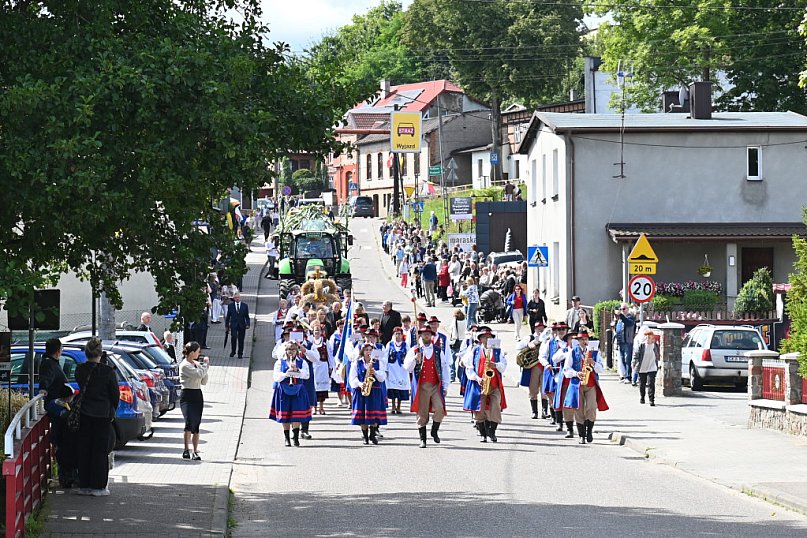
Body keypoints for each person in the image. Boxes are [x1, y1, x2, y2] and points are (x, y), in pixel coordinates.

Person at [74, 338, 119, 496]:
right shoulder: (108, 371)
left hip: (85, 413)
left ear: (86, 353)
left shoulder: (80, 370)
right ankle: (98, 486)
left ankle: (84, 484)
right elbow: (115, 395)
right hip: (103, 414)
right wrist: (112, 408)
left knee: (84, 448)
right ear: (100, 353)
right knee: (100, 450)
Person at [404, 326, 450, 448]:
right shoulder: (415, 350)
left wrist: (445, 386)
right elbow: (407, 367)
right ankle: (422, 439)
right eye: (424, 334)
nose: (426, 336)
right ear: (420, 336)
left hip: (435, 385)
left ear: (431, 336)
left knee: (440, 408)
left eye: (428, 334)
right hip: (421, 385)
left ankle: (434, 430)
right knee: (422, 412)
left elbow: (444, 368)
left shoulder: (438, 350)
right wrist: (415, 358)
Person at [562, 329, 609, 444]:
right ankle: (581, 435)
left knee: (592, 407)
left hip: (591, 383)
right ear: (578, 341)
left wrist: (593, 363)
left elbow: (601, 369)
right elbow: (566, 369)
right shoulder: (572, 352)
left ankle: (589, 431)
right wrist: (576, 373)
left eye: (586, 339)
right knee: (579, 409)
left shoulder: (594, 353)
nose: (584, 341)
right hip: (577, 384)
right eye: (582, 339)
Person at [463, 327, 508, 443]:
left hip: (494, 384)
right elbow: (469, 367)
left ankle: (492, 432)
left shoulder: (497, 351)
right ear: (480, 339)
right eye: (484, 337)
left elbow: (503, 367)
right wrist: (477, 378)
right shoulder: (475, 350)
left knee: (496, 408)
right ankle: (483, 434)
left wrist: (496, 365)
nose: (487, 339)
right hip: (480, 384)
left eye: (489, 337)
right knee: (479, 410)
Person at [270, 341, 312, 447]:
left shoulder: (302, 362)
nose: (291, 352)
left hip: (298, 390)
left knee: (296, 415)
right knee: (285, 415)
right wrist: (286, 374)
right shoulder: (280, 362)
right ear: (286, 351)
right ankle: (287, 438)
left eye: (293, 349)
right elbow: (276, 377)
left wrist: (297, 371)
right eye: (289, 349)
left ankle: (296, 438)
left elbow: (307, 375)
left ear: (296, 351)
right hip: (284, 390)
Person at [349, 343, 388, 445]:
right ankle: (365, 436)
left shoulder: (379, 363)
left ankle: (372, 435)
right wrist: (360, 384)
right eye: (366, 350)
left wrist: (375, 373)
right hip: (362, 391)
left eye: (370, 350)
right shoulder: (357, 363)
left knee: (374, 416)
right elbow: (352, 377)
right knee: (362, 417)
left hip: (374, 391)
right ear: (363, 351)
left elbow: (382, 377)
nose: (368, 352)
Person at [179, 341, 209, 460]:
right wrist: (205, 366)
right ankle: (186, 449)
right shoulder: (185, 365)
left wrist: (204, 369)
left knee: (196, 424)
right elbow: (198, 375)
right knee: (189, 422)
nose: (199, 353)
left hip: (197, 395)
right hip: (187, 395)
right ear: (192, 353)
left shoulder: (196, 364)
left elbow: (203, 381)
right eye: (197, 351)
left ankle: (195, 451)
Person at [517, 321, 549, 419]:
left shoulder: (547, 338)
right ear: (534, 329)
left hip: (544, 366)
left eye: (542, 327)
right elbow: (518, 347)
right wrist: (528, 344)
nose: (541, 329)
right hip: (533, 367)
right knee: (533, 390)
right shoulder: (529, 337)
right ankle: (534, 412)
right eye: (538, 327)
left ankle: (544, 411)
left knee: (545, 390)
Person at [307, 322, 334, 415]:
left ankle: (321, 407)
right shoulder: (310, 341)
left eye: (318, 330)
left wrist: (331, 366)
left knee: (322, 389)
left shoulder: (325, 340)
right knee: (314, 387)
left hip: (323, 366)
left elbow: (329, 353)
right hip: (314, 366)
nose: (317, 332)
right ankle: (314, 407)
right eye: (315, 330)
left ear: (321, 331)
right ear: (313, 332)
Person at [385, 327, 410, 414]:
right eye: (396, 334)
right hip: (392, 368)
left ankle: (399, 406)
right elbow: (385, 356)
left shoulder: (405, 345)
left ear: (402, 335)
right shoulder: (390, 344)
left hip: (402, 369)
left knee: (400, 387)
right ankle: (393, 406)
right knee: (392, 387)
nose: (398, 336)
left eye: (399, 334)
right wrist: (385, 368)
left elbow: (409, 356)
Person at [633, 330, 660, 406]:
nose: (649, 339)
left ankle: (652, 400)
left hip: (652, 367)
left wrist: (659, 363)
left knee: (651, 383)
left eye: (650, 338)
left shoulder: (655, 346)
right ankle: (642, 397)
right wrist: (634, 363)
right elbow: (636, 355)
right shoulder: (642, 346)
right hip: (642, 367)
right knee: (642, 384)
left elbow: (658, 355)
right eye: (647, 338)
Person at [615, 303, 637, 385]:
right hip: (621, 342)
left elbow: (628, 323)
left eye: (623, 309)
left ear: (627, 309)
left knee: (628, 359)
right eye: (621, 309)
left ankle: (628, 376)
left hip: (628, 341)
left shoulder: (630, 317)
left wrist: (621, 315)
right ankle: (624, 376)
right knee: (622, 360)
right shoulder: (620, 319)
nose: (622, 310)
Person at [225, 292, 250, 359]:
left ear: (240, 297)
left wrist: (248, 324)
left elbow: (247, 316)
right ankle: (233, 351)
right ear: (234, 298)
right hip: (234, 325)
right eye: (236, 298)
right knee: (234, 337)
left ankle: (240, 353)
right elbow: (228, 317)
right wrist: (227, 326)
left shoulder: (245, 306)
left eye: (238, 297)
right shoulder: (230, 306)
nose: (237, 299)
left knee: (241, 339)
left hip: (242, 325)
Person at [448, 309, 466, 382]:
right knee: (461, 360)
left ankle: (452, 375)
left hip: (455, 341)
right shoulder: (465, 321)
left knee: (452, 360)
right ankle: (460, 376)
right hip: (462, 340)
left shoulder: (454, 321)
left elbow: (451, 329)